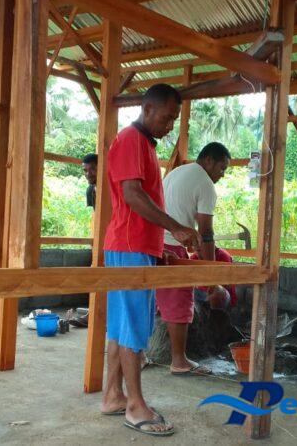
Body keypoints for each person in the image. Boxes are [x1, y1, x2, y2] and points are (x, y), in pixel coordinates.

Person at [100, 83, 200, 437]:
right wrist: (177, 228)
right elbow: (131, 194)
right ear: (147, 109)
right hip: (130, 246)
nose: (170, 125)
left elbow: (140, 200)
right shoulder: (130, 139)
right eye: (167, 117)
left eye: (174, 120)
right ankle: (135, 405)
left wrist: (158, 248)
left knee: (120, 326)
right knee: (133, 327)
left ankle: (113, 395)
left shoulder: (143, 143)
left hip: (135, 246)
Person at [155, 142, 230, 376]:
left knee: (151, 301)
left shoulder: (177, 172)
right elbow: (206, 231)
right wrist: (210, 274)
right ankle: (179, 360)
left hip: (154, 243)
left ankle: (141, 355)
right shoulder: (205, 184)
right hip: (172, 246)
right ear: (208, 160)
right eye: (222, 168)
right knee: (179, 302)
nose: (222, 174)